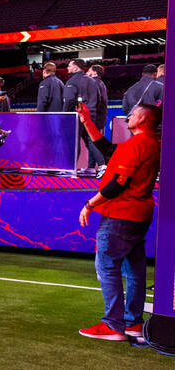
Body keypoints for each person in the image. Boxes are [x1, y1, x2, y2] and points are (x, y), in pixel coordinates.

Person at [75, 103, 159, 342]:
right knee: (134, 270)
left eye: (132, 114)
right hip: (138, 214)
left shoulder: (136, 144)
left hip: (120, 215)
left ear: (141, 118)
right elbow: (109, 150)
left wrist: (90, 204)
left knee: (107, 269)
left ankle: (113, 325)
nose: (128, 116)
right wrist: (87, 121)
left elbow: (118, 183)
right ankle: (133, 323)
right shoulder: (152, 143)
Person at [64, 59, 105, 171]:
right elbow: (99, 99)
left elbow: (69, 100)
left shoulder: (72, 81)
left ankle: (70, 167)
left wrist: (65, 116)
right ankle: (102, 165)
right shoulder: (92, 81)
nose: (67, 68)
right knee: (91, 141)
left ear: (76, 68)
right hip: (91, 115)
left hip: (77, 115)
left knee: (74, 141)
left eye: (69, 66)